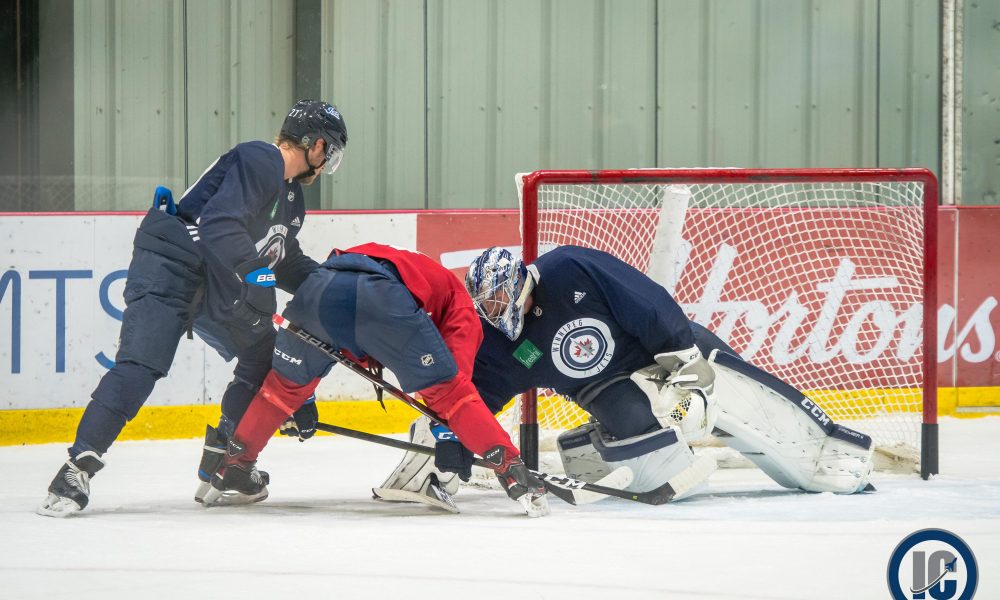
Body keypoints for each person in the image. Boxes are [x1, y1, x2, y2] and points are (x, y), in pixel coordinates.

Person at [37, 100, 348, 517]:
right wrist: (257, 278)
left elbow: (283, 258)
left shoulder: (291, 199)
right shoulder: (261, 158)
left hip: (214, 278)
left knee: (264, 354)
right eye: (330, 152)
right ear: (317, 144)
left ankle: (228, 462)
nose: (327, 163)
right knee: (141, 365)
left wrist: (334, 284)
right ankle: (76, 469)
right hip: (171, 268)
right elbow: (220, 223)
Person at [379, 245, 875, 504]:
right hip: (605, 385)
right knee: (643, 425)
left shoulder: (570, 269)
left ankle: (829, 452)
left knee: (736, 394)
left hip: (661, 354)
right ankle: (598, 454)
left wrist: (685, 363)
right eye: (486, 305)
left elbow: (649, 304)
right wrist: (453, 434)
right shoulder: (501, 342)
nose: (495, 310)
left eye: (499, 299)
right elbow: (479, 394)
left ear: (519, 281)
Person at [200, 243, 550, 517]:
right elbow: (455, 393)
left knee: (279, 391)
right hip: (378, 296)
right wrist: (447, 435)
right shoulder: (458, 305)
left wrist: (302, 397)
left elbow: (342, 315)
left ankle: (235, 467)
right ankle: (512, 470)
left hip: (318, 288)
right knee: (452, 394)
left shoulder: (404, 262)